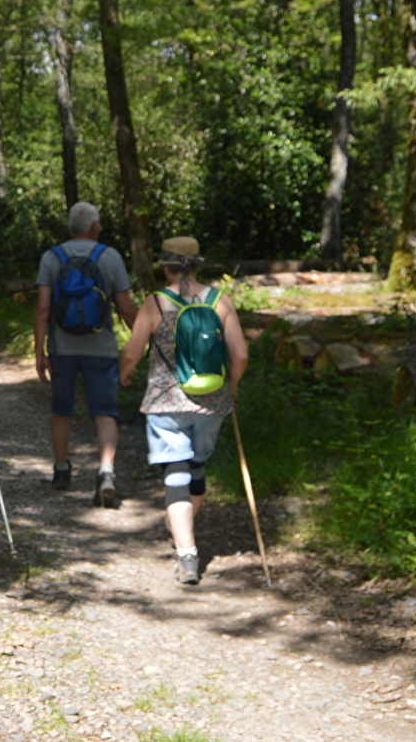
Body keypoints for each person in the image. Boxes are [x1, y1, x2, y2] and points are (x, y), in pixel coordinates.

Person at [119, 236, 248, 585]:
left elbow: (132, 351)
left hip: (166, 401)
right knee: (197, 467)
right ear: (199, 265)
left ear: (166, 265)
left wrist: (126, 372)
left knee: (175, 472)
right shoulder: (221, 302)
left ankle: (186, 552)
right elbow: (240, 355)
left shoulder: (156, 303)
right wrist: (231, 387)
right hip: (213, 402)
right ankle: (184, 527)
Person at [34, 202, 138, 507]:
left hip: (62, 349)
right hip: (101, 348)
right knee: (105, 411)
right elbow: (126, 308)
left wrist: (39, 351)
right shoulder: (110, 257)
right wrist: (144, 341)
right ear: (93, 227)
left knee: (61, 409)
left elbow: (42, 308)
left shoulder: (52, 258)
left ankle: (62, 469)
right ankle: (106, 472)